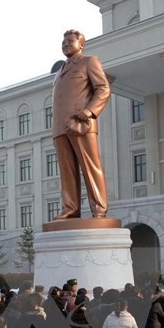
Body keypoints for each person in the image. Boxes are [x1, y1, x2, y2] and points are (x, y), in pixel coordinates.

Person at [51, 29, 111, 219]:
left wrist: (90, 110)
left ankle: (99, 209)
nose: (66, 44)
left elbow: (103, 88)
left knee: (90, 167)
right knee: (67, 172)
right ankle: (70, 208)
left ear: (81, 44)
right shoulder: (59, 72)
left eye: (70, 41)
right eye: (63, 42)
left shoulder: (89, 61)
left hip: (82, 124)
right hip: (61, 128)